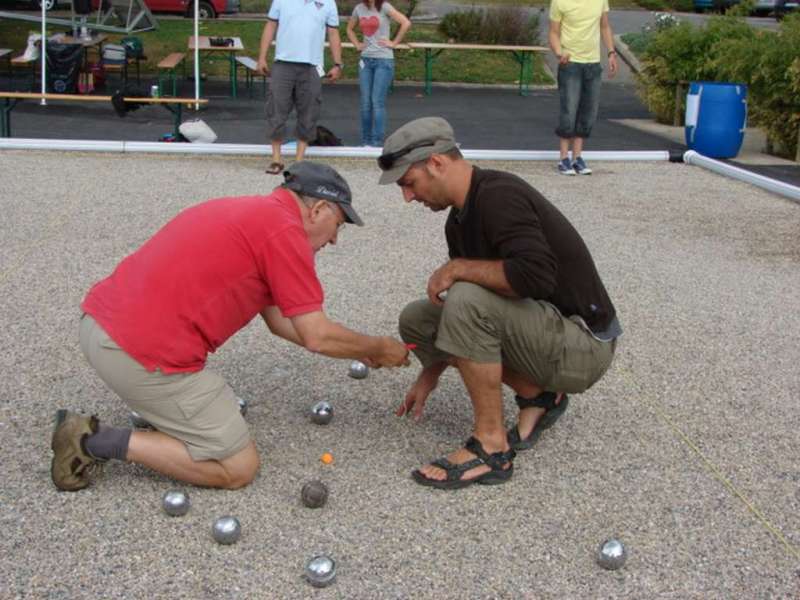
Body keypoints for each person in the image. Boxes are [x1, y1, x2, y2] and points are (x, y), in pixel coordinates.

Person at [51, 162, 410, 492]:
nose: (334, 240)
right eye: (338, 226)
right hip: (137, 354)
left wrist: (361, 348)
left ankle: (167, 421)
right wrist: (377, 348)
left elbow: (282, 323)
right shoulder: (285, 233)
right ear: (318, 210)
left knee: (212, 432)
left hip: (100, 326)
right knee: (237, 466)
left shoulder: (254, 214)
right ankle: (90, 440)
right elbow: (316, 334)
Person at [377, 117, 622, 490]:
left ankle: (491, 448)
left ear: (438, 164)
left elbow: (537, 277)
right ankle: (538, 396)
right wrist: (431, 370)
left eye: (408, 183)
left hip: (584, 345)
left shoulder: (498, 196)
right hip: (544, 329)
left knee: (466, 298)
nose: (407, 197)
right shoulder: (458, 220)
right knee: (418, 319)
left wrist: (458, 267)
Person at [256, 0, 344, 175]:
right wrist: (262, 57)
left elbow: (333, 33)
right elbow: (270, 26)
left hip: (311, 66)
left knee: (309, 111)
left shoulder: (328, 3)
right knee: (276, 109)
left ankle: (299, 161)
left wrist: (337, 64)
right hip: (283, 63)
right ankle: (276, 159)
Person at [548, 0, 618, 175]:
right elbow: (554, 32)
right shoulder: (559, 2)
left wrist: (611, 52)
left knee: (588, 111)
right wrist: (558, 52)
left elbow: (604, 26)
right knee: (569, 110)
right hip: (570, 63)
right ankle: (564, 158)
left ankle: (577, 157)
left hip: (592, 64)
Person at [346, 0, 411, 147]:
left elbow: (405, 23)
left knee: (377, 102)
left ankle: (376, 142)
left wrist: (393, 43)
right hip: (366, 61)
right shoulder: (359, 8)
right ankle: (366, 142)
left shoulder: (384, 7)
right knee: (365, 103)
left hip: (383, 60)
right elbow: (349, 29)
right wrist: (357, 44)